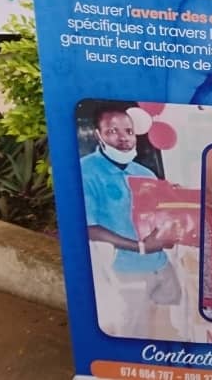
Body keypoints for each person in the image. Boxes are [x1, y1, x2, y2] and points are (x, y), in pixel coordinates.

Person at [80, 102, 181, 336]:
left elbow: (157, 216)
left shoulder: (144, 173)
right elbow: (88, 227)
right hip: (125, 271)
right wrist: (140, 247)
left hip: (161, 265)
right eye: (112, 131)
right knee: (135, 334)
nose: (123, 138)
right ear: (98, 135)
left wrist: (174, 203)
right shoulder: (86, 171)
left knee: (170, 329)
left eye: (129, 131)